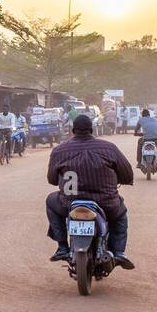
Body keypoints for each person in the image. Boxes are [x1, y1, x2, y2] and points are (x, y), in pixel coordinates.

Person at [46, 114, 135, 268]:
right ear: (92, 129)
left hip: (69, 204)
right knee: (120, 215)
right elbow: (127, 175)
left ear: (73, 130)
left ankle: (62, 246)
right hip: (106, 204)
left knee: (51, 201)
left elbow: (52, 180)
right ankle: (119, 252)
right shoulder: (109, 148)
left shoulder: (60, 150)